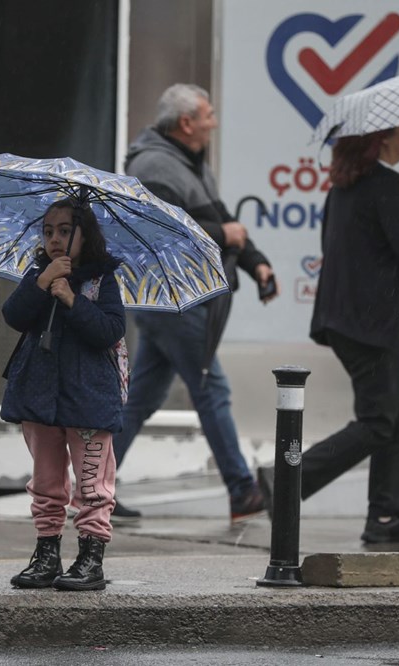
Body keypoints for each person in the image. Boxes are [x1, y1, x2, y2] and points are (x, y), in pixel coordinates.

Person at [261, 125, 399, 544]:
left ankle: (387, 519)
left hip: (349, 321)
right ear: (380, 140)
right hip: (372, 325)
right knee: (379, 421)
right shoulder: (387, 185)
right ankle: (285, 479)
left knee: (397, 418)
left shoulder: (343, 187)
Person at [112, 83, 278, 524]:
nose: (214, 122)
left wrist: (257, 263)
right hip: (170, 299)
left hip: (178, 299)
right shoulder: (153, 166)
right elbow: (164, 232)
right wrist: (226, 237)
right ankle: (242, 491)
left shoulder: (189, 164)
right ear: (186, 123)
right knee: (212, 389)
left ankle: (93, 489)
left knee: (142, 398)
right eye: (208, 115)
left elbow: (219, 215)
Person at [1, 199, 125, 592]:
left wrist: (72, 300)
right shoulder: (38, 273)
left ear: (85, 235)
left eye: (65, 231)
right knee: (46, 480)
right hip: (38, 396)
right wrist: (42, 283)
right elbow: (14, 315)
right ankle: (46, 553)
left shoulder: (102, 281)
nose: (54, 238)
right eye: (48, 231)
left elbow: (110, 330)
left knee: (92, 483)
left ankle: (91, 556)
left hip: (88, 399)